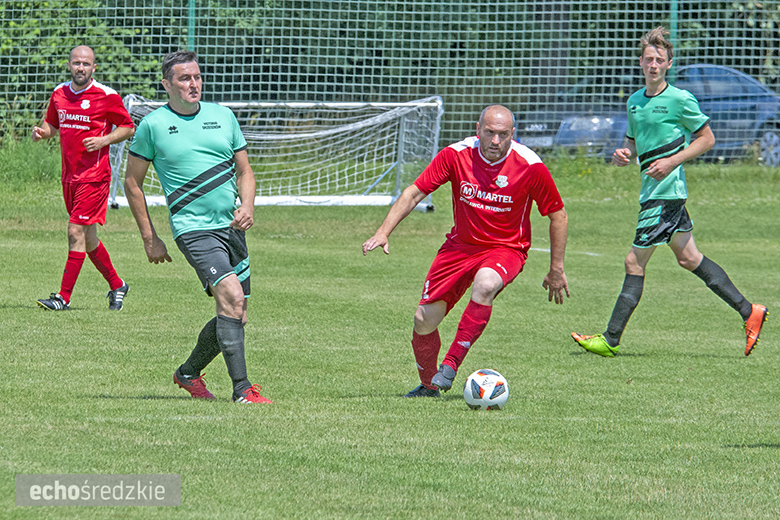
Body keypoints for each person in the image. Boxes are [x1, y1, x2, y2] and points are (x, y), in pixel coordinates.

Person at [572, 27, 768, 357]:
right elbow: (633, 144)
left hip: (666, 193)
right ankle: (750, 312)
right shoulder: (634, 102)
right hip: (653, 190)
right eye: (648, 59)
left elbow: (707, 139)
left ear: (668, 64)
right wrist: (624, 154)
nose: (653, 64)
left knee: (633, 261)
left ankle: (610, 339)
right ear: (641, 62)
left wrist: (671, 162)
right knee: (689, 257)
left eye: (659, 60)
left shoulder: (679, 99)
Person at [363, 105, 569, 397]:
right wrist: (383, 231)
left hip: (506, 248)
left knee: (485, 285)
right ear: (478, 130)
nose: (495, 141)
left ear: (513, 134)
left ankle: (451, 364)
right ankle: (428, 385)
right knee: (423, 321)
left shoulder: (530, 165)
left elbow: (558, 215)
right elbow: (414, 192)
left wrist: (556, 268)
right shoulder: (456, 155)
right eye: (489, 133)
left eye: (502, 135)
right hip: (459, 247)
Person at [124, 50, 271, 404]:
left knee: (237, 312)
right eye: (184, 78)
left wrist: (248, 205)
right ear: (167, 85)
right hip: (193, 228)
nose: (194, 84)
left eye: (197, 77)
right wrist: (150, 237)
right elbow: (132, 182)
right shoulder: (153, 126)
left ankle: (187, 373)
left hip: (232, 227)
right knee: (232, 297)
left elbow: (245, 171)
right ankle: (242, 392)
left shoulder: (223, 116)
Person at [32, 45, 134, 311]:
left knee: (75, 231)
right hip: (70, 177)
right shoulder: (59, 94)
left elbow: (127, 127)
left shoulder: (106, 96)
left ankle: (63, 298)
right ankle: (117, 284)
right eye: (76, 63)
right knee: (88, 240)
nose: (81, 68)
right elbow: (52, 126)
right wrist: (43, 133)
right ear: (69, 65)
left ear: (94, 68)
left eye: (86, 64)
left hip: (95, 177)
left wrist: (104, 140)